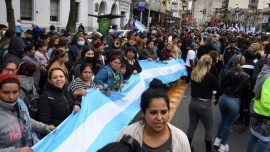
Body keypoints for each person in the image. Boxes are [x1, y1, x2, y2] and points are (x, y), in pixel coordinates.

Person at [116, 78, 191, 151]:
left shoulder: (181, 139)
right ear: (143, 113)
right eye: (153, 112)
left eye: (163, 112)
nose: (159, 118)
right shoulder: (127, 135)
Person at [0, 73, 56, 151]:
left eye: (15, 92)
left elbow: (27, 121)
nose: (11, 97)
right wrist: (17, 151)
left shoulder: (20, 103)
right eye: (6, 92)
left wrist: (44, 127)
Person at [214, 55, 251, 152]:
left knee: (223, 120)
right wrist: (246, 106)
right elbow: (247, 93)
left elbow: (220, 85)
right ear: (243, 62)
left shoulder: (226, 72)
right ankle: (223, 144)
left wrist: (217, 98)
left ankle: (217, 139)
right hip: (234, 100)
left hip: (223, 98)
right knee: (228, 124)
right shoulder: (246, 76)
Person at [187, 54, 222, 152]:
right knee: (208, 128)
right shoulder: (209, 76)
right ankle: (208, 150)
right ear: (209, 64)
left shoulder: (194, 73)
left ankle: (187, 147)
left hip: (193, 103)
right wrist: (214, 92)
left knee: (192, 126)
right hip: (204, 104)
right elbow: (219, 89)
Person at [246, 55, 270, 152]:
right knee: (265, 141)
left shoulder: (264, 72)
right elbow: (266, 101)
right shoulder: (269, 78)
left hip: (259, 111)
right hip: (266, 114)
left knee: (255, 137)